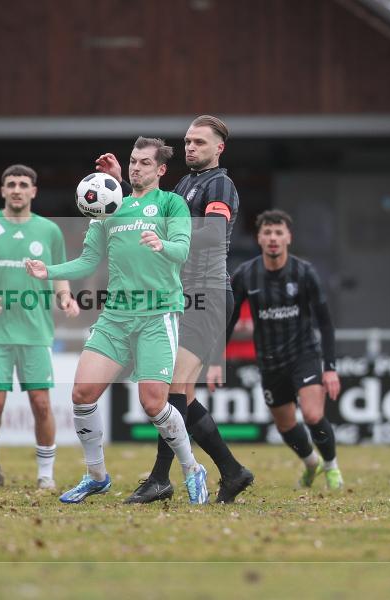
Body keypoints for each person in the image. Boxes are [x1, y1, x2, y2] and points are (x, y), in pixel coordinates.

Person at [27, 137, 210, 504]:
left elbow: (182, 249)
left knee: (154, 403)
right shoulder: (110, 207)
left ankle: (192, 468)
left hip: (158, 313)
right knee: (82, 394)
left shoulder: (171, 203)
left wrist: (161, 244)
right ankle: (96, 476)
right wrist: (49, 271)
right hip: (115, 316)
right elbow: (87, 261)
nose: (136, 167)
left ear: (160, 170)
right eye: (133, 161)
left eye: (145, 162)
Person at [95, 115, 253, 504]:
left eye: (200, 142)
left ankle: (160, 478)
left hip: (207, 293)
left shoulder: (219, 184)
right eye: (187, 141)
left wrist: (168, 237)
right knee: (183, 395)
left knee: (170, 389)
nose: (191, 147)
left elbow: (214, 232)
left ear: (219, 148)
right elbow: (148, 212)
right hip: (180, 296)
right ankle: (233, 471)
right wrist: (121, 183)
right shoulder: (183, 185)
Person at [0, 164, 79, 491]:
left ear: (34, 191)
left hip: (35, 331)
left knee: (41, 403)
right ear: (2, 190)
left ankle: (46, 475)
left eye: (23, 184)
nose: (17, 190)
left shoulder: (49, 231)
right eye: (11, 184)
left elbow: (58, 272)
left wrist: (65, 296)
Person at [227, 209, 343, 490]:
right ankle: (311, 463)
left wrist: (330, 368)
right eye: (267, 233)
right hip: (269, 361)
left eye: (278, 232)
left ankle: (331, 467)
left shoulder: (304, 273)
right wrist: (214, 356)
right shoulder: (246, 275)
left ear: (288, 237)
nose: (273, 238)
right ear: (259, 238)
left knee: (313, 415)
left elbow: (325, 322)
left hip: (304, 354)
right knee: (286, 425)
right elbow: (229, 319)